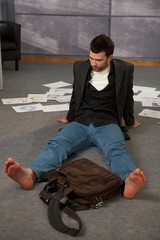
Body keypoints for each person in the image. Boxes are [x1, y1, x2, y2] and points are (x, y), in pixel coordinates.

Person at [4, 34, 146, 199]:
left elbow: (128, 96)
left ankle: (128, 180)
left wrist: (130, 121)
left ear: (110, 57)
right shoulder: (80, 67)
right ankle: (31, 174)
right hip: (82, 120)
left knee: (116, 149)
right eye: (91, 58)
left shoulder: (125, 69)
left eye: (98, 60)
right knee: (57, 144)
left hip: (107, 122)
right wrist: (70, 116)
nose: (93, 63)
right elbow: (76, 93)